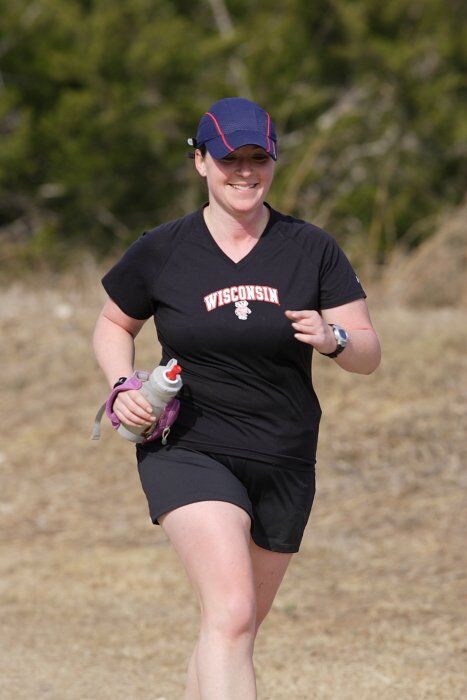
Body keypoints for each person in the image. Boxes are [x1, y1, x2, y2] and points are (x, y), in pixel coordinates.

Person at [92, 97, 381, 699]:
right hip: (190, 447)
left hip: (284, 455)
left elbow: (369, 355)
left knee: (234, 629)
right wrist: (122, 385)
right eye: (229, 159)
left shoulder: (311, 247)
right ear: (199, 161)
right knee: (230, 610)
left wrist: (335, 339)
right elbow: (112, 324)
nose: (245, 172)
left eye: (258, 159)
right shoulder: (164, 248)